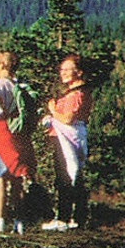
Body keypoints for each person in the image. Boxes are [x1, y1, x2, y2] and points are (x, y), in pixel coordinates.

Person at [0, 50, 33, 234]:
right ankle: (19, 221)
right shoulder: (18, 85)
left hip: (0, 132)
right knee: (17, 177)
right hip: (16, 132)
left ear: (3, 65)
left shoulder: (0, 83)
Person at [41, 53, 92, 230]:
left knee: (66, 177)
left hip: (67, 140)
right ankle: (73, 217)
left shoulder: (76, 95)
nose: (62, 73)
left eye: (67, 70)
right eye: (61, 69)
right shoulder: (73, 93)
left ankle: (65, 218)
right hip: (63, 138)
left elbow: (68, 119)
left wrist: (53, 111)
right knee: (67, 176)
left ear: (78, 72)